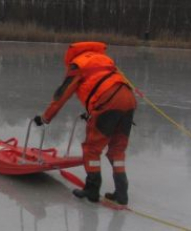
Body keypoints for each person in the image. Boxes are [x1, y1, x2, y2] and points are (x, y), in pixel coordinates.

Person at [33, 42, 136, 205]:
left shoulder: (78, 64)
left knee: (91, 149)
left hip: (108, 101)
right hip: (128, 99)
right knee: (117, 150)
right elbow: (102, 85)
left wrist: (45, 118)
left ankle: (92, 190)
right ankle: (122, 193)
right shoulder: (104, 59)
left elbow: (62, 95)